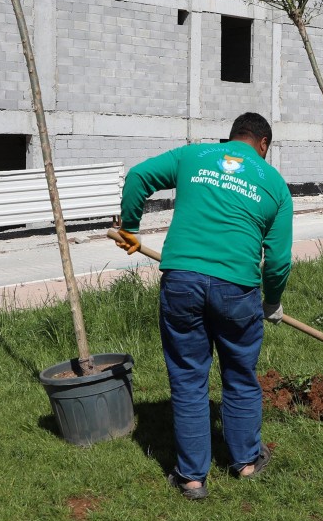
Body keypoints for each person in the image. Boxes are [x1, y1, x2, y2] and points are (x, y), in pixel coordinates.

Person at [115, 113, 293, 500]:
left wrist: (130, 228)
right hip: (237, 288)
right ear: (264, 145)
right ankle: (245, 463)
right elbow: (278, 260)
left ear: (230, 139)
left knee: (188, 377)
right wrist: (273, 299)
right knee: (240, 374)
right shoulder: (275, 184)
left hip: (182, 281)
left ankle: (193, 479)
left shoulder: (194, 156)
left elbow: (137, 178)